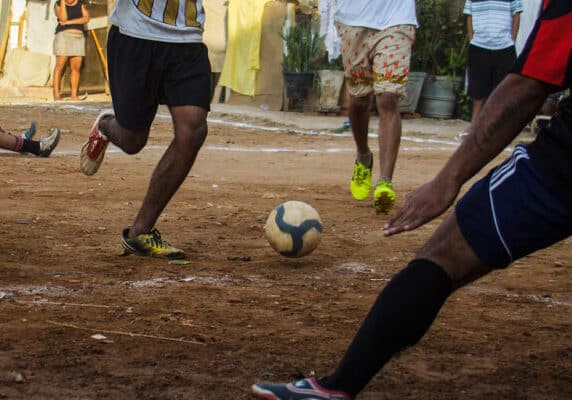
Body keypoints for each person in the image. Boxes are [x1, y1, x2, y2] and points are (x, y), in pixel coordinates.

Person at [252, 1, 571, 399]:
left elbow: (529, 84)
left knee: (445, 253)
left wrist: (448, 179)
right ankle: (365, 160)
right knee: (360, 99)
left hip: (561, 171)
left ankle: (338, 387)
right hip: (357, 21)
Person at [79, 0, 211, 260]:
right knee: (132, 140)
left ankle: (140, 232)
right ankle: (106, 126)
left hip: (188, 39)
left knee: (193, 130)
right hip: (136, 34)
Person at [336, 0, 417, 214]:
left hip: (397, 20)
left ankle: (385, 182)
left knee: (388, 97)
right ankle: (363, 156)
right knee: (359, 101)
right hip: (353, 22)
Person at [464, 0, 523, 121]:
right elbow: (469, 15)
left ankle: (496, 125)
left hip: (504, 46)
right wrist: (471, 39)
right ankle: (474, 125)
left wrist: (512, 40)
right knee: (477, 90)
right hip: (479, 45)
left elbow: (516, 14)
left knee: (503, 90)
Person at [52, 0, 90, 101]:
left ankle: (74, 95)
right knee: (60, 65)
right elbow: (63, 18)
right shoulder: (58, 4)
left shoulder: (81, 3)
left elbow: (86, 18)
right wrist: (63, 2)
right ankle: (56, 94)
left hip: (78, 37)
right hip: (63, 36)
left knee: (76, 67)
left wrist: (69, 22)